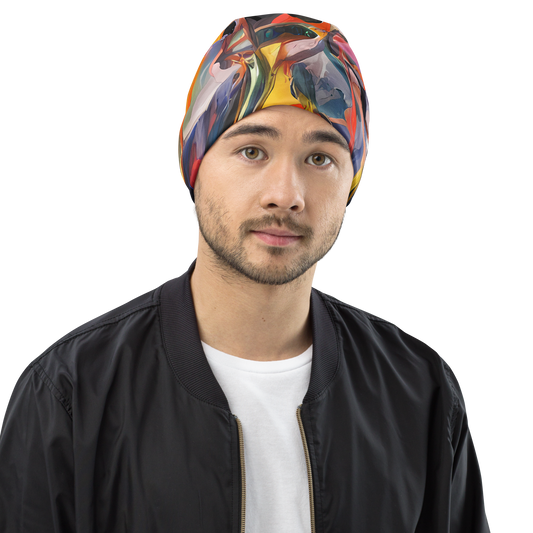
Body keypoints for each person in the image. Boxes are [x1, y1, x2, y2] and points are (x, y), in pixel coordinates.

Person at [0, 11, 491, 533]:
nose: (286, 194)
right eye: (252, 150)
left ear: (353, 182)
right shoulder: (70, 390)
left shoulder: (421, 389)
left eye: (320, 158)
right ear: (192, 164)